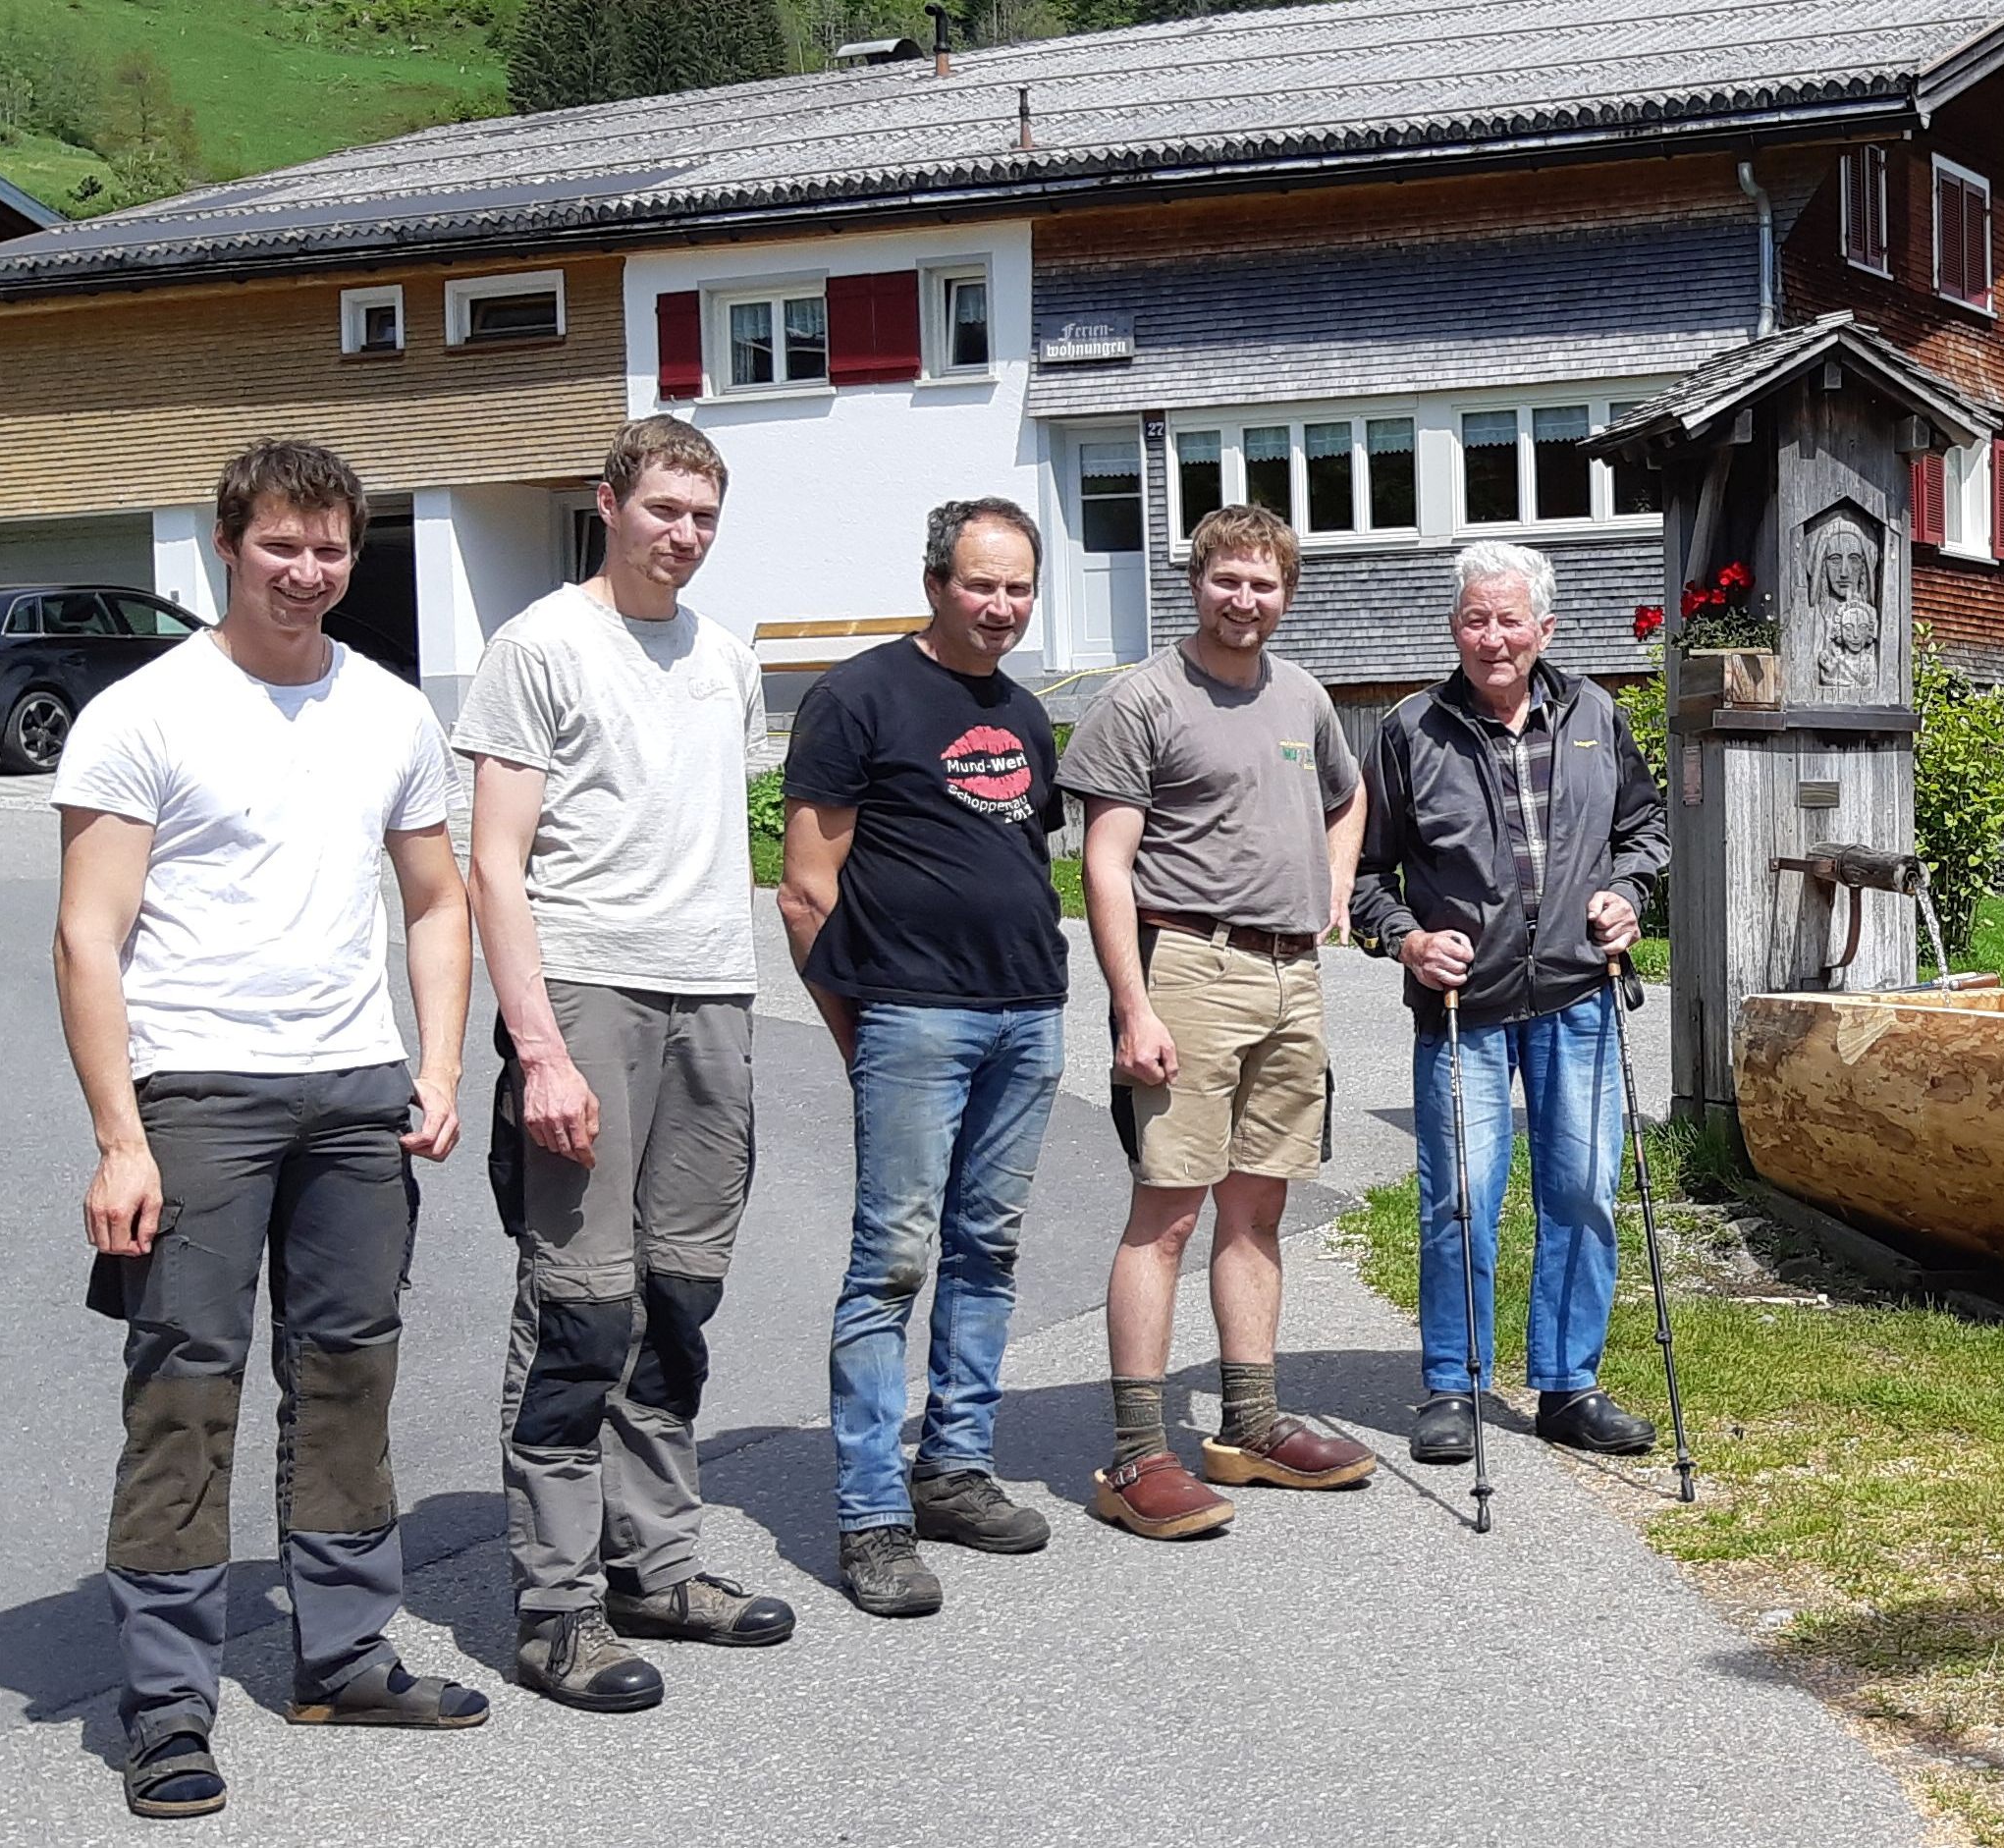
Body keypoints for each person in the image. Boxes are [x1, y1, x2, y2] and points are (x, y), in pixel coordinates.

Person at [54, 439, 486, 1821]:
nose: (308, 573)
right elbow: (86, 930)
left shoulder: (389, 711)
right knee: (187, 1383)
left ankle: (344, 1654)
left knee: (351, 1371)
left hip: (355, 1087)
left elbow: (434, 898)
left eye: (332, 549)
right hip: (198, 1091)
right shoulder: (147, 712)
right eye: (281, 546)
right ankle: (167, 1701)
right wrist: (121, 1135)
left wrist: (436, 1062)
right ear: (227, 546)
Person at [456, 415, 791, 1714]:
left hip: (713, 992)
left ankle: (655, 1564)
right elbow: (494, 861)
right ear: (608, 503)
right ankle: (557, 1609)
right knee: (582, 1304)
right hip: (587, 990)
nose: (685, 535)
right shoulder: (540, 644)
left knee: (677, 1300)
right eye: (663, 509)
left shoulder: (722, 656)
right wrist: (536, 1044)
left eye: (704, 515)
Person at [1058, 503, 1373, 1542]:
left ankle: (1249, 1425)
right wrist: (1132, 1004)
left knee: (1258, 1210)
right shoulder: (1142, 699)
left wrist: (1334, 883)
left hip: (1290, 976)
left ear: (1288, 591)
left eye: (1265, 583)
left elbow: (1346, 794)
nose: (1245, 599)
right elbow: (1104, 862)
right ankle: (1137, 1452)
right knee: (1169, 1213)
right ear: (1195, 583)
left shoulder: (1302, 692)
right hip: (1187, 963)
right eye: (1227, 580)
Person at [779, 498, 1069, 1618]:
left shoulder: (1029, 715)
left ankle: (953, 1467)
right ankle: (870, 1515)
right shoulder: (857, 698)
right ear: (935, 581)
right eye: (980, 584)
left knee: (987, 1247)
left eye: (1017, 588)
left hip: (1026, 1013)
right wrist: (862, 1029)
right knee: (890, 1263)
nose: (1000, 606)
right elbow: (808, 891)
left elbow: (1015, 851)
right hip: (913, 1018)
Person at [1349, 541, 1670, 1466]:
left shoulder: (1595, 716)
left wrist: (1628, 894)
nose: (1492, 637)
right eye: (1474, 619)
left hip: (1577, 997)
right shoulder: (1410, 729)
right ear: (1455, 628)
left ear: (1544, 628)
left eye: (1509, 619)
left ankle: (1568, 1386)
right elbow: (1365, 874)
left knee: (1580, 1194)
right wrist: (1404, 938)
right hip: (1465, 1011)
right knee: (1459, 1199)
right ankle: (1454, 1385)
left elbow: (1642, 829)